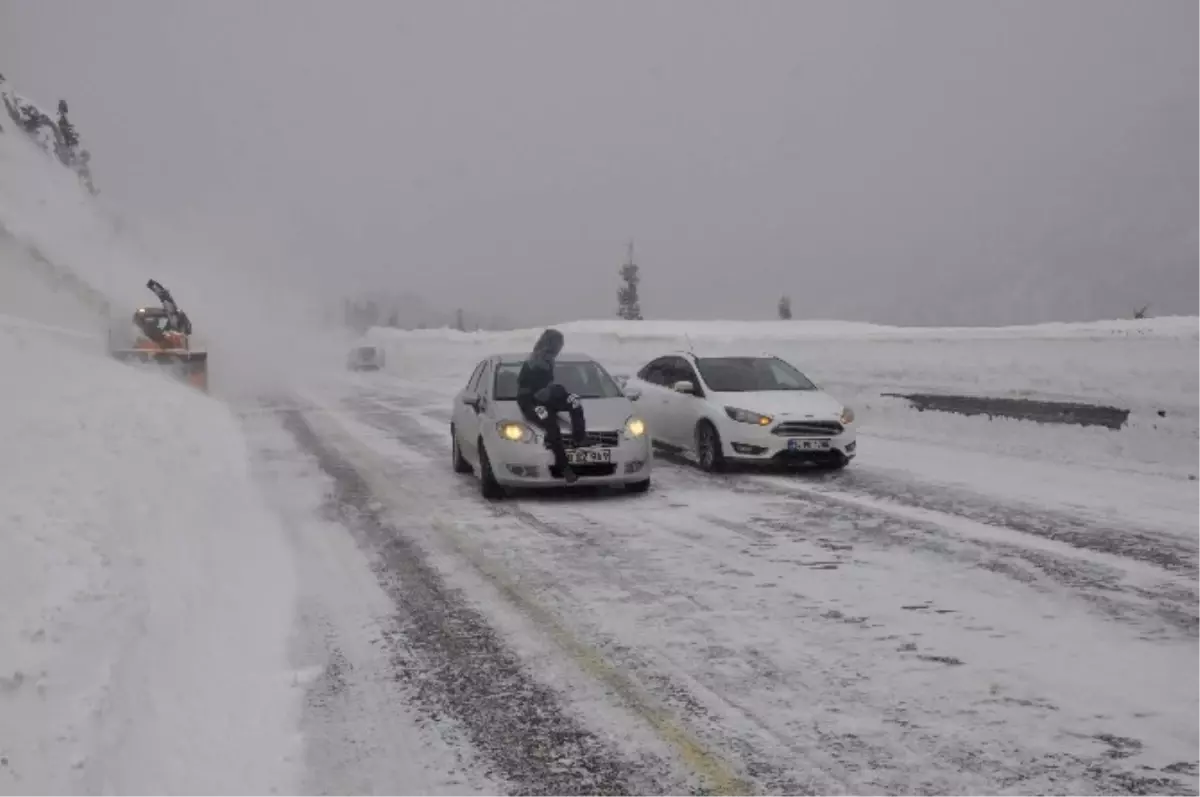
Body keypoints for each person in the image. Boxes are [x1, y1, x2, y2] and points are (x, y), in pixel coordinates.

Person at [516, 328, 587, 482]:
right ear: (552, 345)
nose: (560, 349)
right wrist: (543, 393)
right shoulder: (533, 362)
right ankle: (564, 467)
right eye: (559, 345)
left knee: (574, 403)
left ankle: (578, 440)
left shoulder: (550, 360)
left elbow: (548, 387)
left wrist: (554, 391)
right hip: (530, 401)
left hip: (547, 397)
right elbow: (528, 389)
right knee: (550, 423)